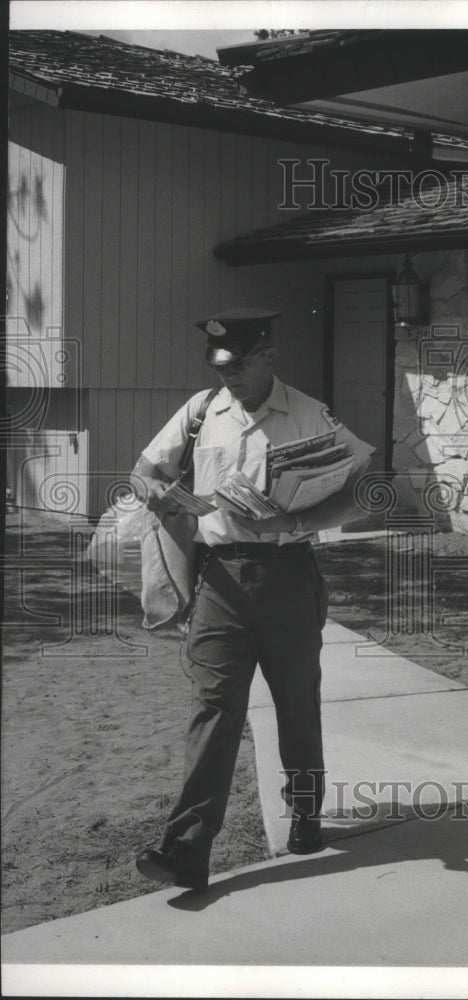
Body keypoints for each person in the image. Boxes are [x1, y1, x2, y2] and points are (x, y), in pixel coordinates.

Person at [133, 307, 374, 891]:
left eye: (239, 364)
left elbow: (365, 492)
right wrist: (157, 491)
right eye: (219, 365)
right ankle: (186, 852)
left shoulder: (311, 415)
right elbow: (142, 469)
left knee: (296, 705)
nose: (228, 376)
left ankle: (307, 817)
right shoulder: (199, 412)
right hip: (219, 581)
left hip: (289, 577)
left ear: (268, 355)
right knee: (214, 709)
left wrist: (291, 524)